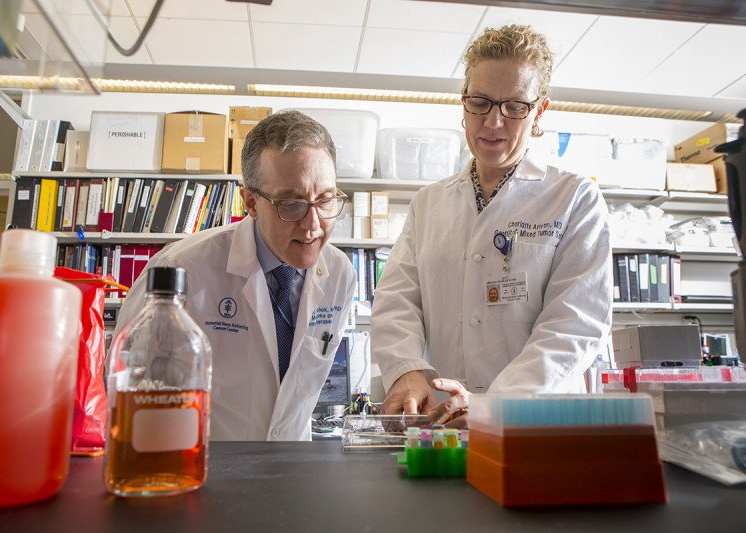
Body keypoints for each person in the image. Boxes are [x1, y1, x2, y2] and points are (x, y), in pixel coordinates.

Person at [371, 24, 612, 425]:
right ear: (464, 103)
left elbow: (575, 324)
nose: (494, 122)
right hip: (445, 423)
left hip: (535, 425)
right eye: (480, 102)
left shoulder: (574, 198)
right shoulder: (429, 203)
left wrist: (494, 406)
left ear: (539, 111)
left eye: (515, 106)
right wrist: (407, 368)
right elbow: (397, 301)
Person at [115, 110, 356, 440]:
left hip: (293, 468)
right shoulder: (179, 268)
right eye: (291, 204)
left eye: (325, 199)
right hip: (204, 469)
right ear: (251, 202)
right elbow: (128, 384)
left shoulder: (340, 273)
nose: (312, 224)